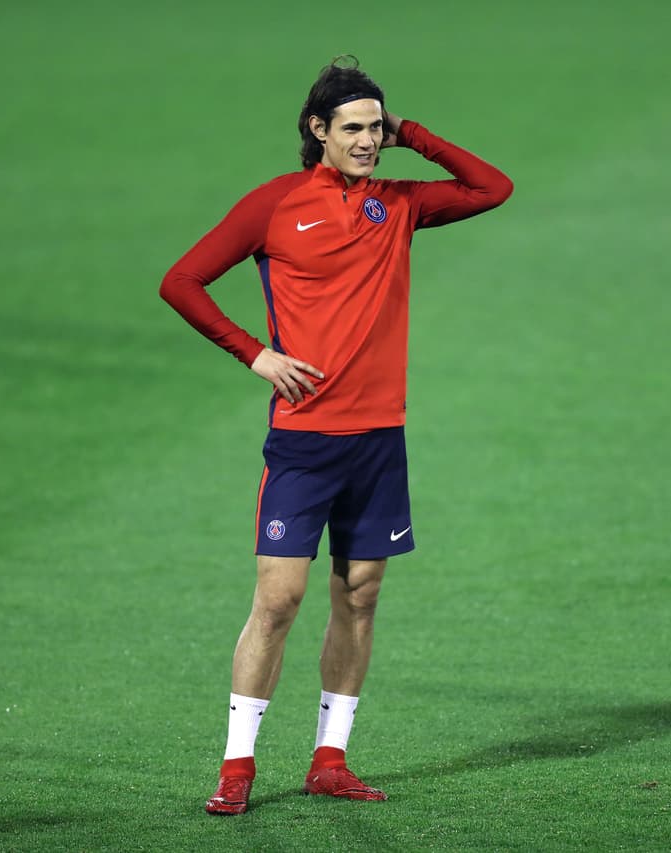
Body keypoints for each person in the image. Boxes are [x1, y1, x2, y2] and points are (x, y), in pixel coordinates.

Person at [159, 56, 512, 816]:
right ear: (317, 129)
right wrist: (254, 354)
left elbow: (493, 188)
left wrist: (414, 133)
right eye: (353, 128)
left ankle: (330, 759)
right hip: (304, 440)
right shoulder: (276, 205)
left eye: (377, 128)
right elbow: (181, 281)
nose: (367, 141)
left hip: (379, 438)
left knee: (361, 594)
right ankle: (237, 767)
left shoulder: (400, 203)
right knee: (278, 600)